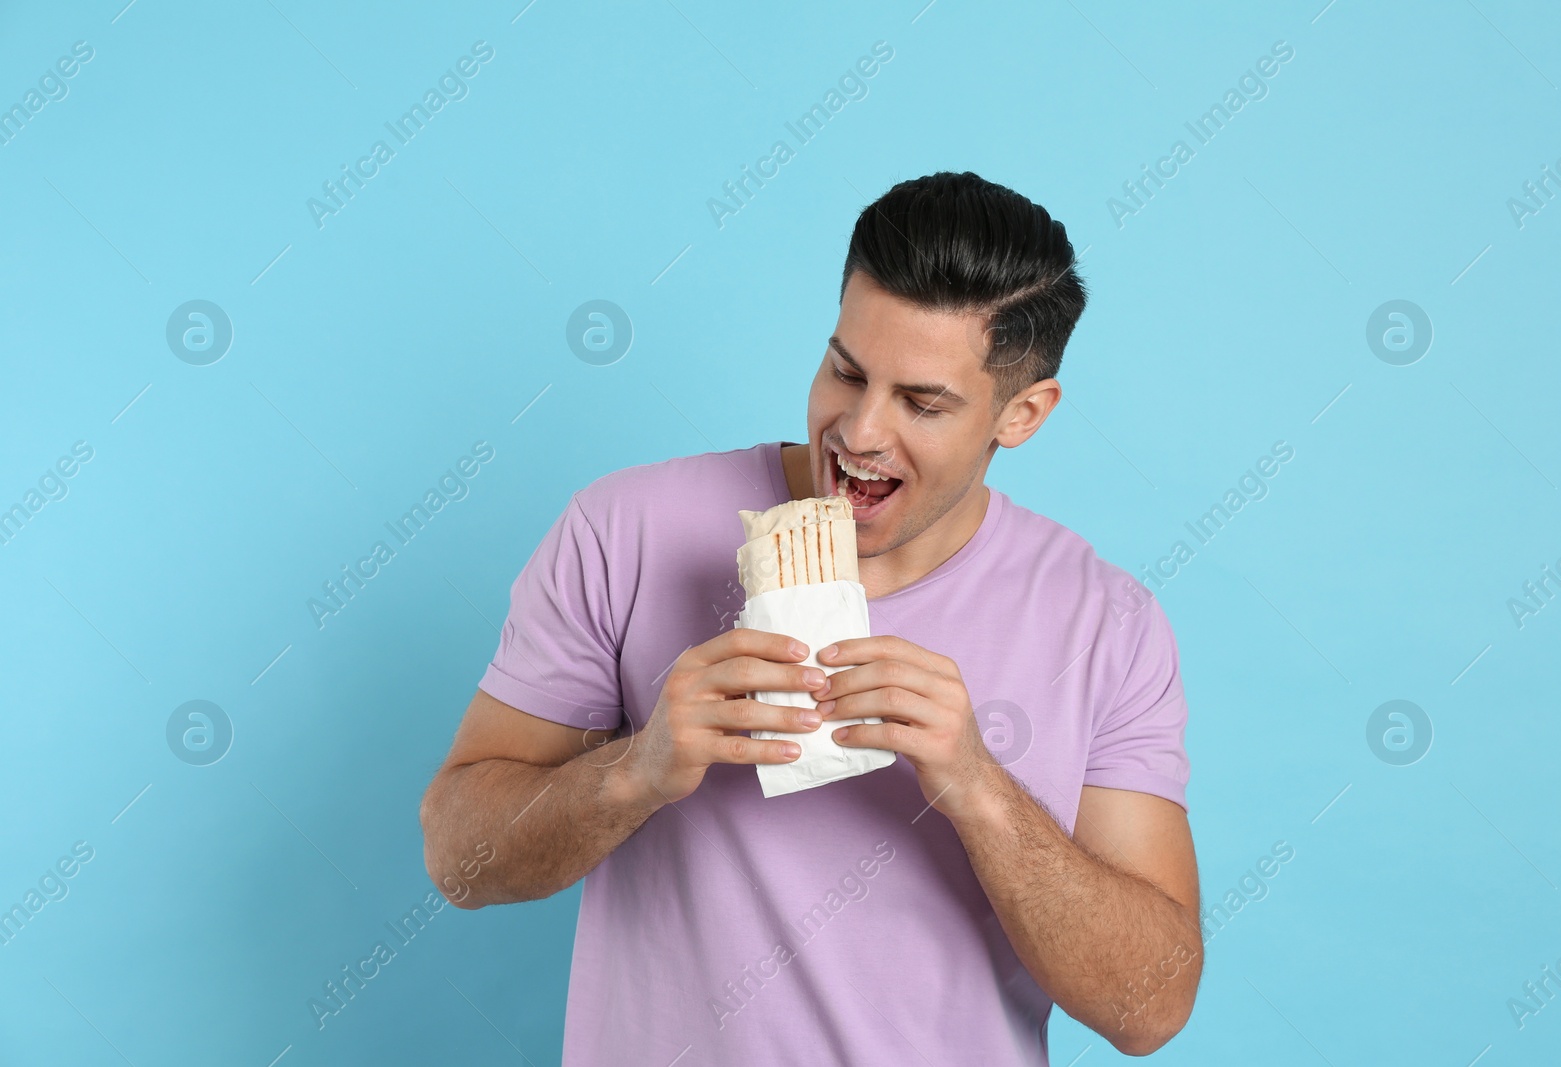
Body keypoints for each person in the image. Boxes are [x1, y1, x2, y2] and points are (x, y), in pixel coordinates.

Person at [420, 170, 1201, 1063]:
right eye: (846, 370)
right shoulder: (622, 530)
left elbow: (1151, 1008)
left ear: (1022, 412)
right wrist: (637, 768)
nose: (859, 432)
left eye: (922, 402)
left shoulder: (1108, 624)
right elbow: (458, 859)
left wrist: (978, 786)